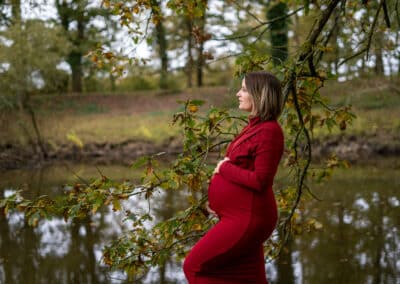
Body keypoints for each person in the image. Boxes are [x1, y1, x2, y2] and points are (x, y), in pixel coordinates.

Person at [183, 71, 284, 283]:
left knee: (194, 267)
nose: (238, 93)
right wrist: (221, 205)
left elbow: (260, 181)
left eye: (244, 89)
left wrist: (224, 168)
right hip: (237, 215)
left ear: (259, 95)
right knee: (248, 276)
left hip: (249, 218)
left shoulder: (269, 132)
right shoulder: (253, 127)